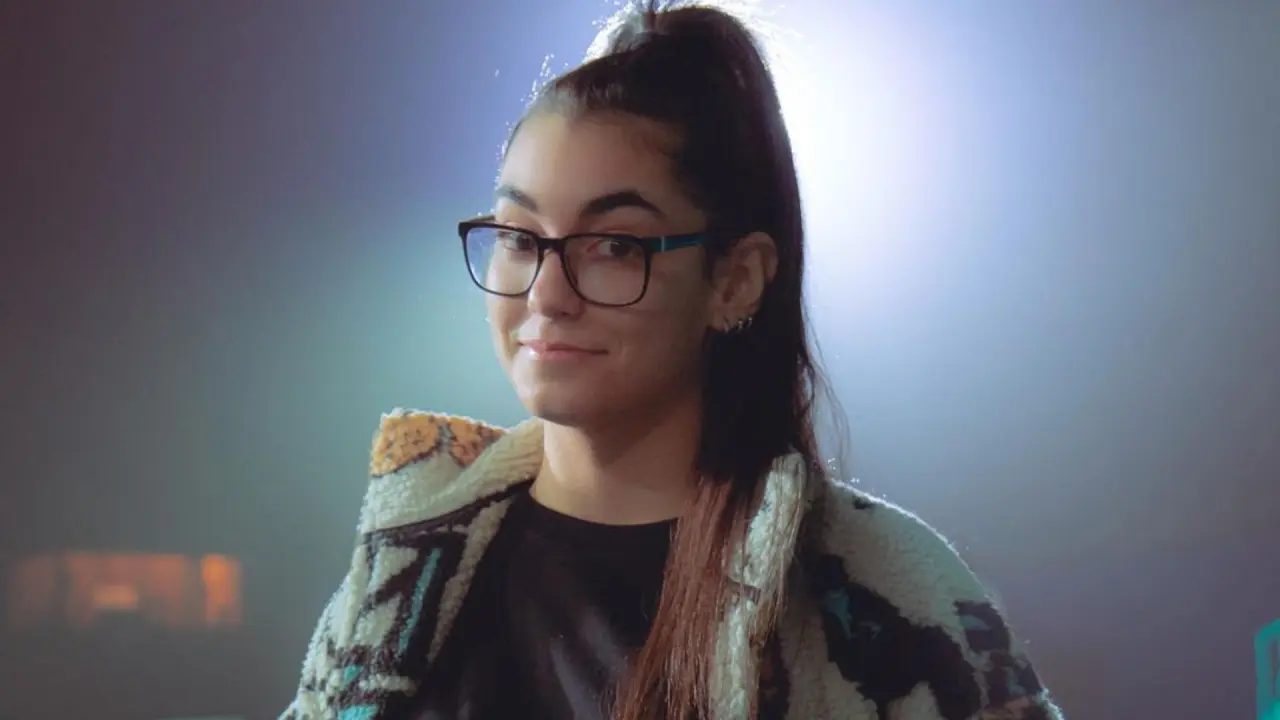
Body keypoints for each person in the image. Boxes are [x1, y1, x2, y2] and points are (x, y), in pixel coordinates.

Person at [282, 2, 1064, 719]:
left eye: (613, 246)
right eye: (520, 237)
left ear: (736, 280)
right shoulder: (400, 586)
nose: (547, 293)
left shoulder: (880, 591)